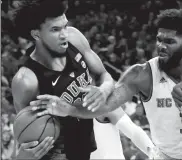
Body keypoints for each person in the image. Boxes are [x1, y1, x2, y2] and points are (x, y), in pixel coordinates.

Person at [33, 9, 182, 159]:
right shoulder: (141, 75)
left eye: (169, 41)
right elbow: (108, 106)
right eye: (159, 39)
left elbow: (132, 130)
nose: (161, 46)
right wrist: (69, 109)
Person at [11, 0, 114, 159]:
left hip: (89, 138)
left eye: (65, 26)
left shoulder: (74, 38)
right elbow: (25, 131)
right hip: (60, 153)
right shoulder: (26, 80)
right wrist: (24, 156)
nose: (64, 33)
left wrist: (103, 90)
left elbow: (104, 75)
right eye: (55, 29)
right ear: (36, 34)